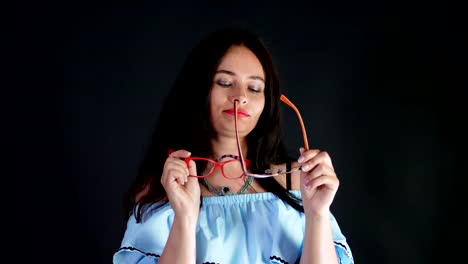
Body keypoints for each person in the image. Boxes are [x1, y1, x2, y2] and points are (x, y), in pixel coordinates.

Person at [113, 27, 354, 264]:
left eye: (254, 88)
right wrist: (185, 219)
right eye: (225, 82)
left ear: (266, 101)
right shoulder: (162, 189)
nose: (240, 96)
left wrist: (317, 215)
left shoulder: (300, 181)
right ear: (198, 89)